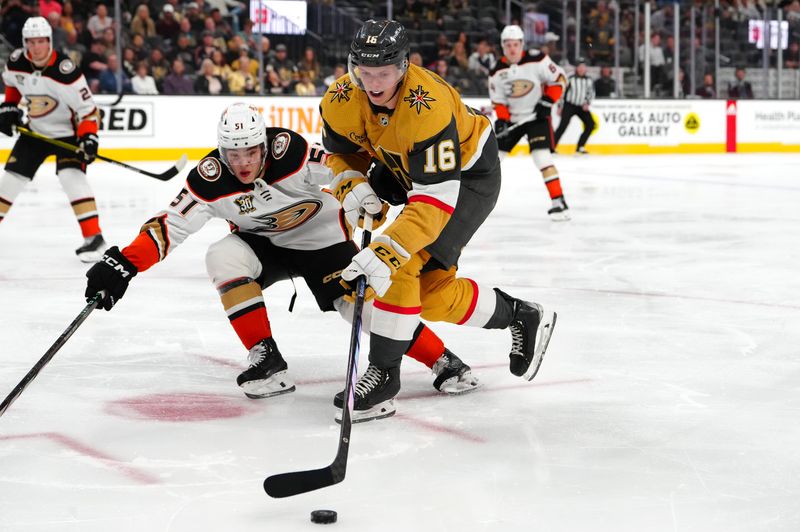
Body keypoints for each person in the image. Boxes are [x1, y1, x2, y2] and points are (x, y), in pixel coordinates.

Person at [84, 103, 480, 401]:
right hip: (263, 245)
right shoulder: (208, 179)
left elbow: (340, 169)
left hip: (320, 241)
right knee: (221, 256)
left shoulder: (289, 151)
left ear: (263, 144)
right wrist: (124, 263)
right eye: (233, 155)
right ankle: (266, 358)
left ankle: (443, 361)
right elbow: (169, 225)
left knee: (359, 310)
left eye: (250, 153)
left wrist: (368, 186)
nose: (242, 164)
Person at [320, 20, 557, 423]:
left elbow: (432, 202)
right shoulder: (342, 96)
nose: (374, 83)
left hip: (467, 179)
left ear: (404, 67)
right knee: (428, 295)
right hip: (406, 167)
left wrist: (387, 249)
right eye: (366, 72)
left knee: (402, 263)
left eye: (384, 73)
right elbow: (342, 155)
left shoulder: (427, 104)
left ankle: (383, 378)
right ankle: (520, 314)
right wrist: (353, 186)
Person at [0, 16, 106, 262]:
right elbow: (13, 85)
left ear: (49, 41)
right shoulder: (16, 62)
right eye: (31, 42)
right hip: (35, 131)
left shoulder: (66, 71)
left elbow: (87, 110)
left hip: (67, 135)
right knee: (10, 180)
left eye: (41, 41)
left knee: (71, 177)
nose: (36, 47)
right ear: (25, 42)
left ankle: (95, 239)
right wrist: (9, 108)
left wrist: (89, 137)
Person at [488, 24, 570, 221]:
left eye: (515, 44)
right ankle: (470, 203)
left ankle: (559, 202)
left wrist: (548, 100)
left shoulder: (538, 59)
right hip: (514, 119)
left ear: (522, 44)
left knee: (542, 158)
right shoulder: (496, 71)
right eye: (508, 45)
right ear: (502, 46)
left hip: (536, 118)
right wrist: (502, 120)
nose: (512, 49)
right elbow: (499, 101)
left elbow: (560, 79)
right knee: (492, 161)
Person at [554, 58, 596, 155]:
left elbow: (591, 93)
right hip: (570, 105)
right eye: (579, 67)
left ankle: (580, 147)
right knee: (562, 126)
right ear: (576, 68)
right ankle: (552, 148)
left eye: (583, 67)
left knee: (591, 124)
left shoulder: (589, 80)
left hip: (581, 107)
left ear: (586, 68)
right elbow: (562, 92)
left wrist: (587, 103)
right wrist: (560, 106)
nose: (581, 69)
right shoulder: (570, 78)